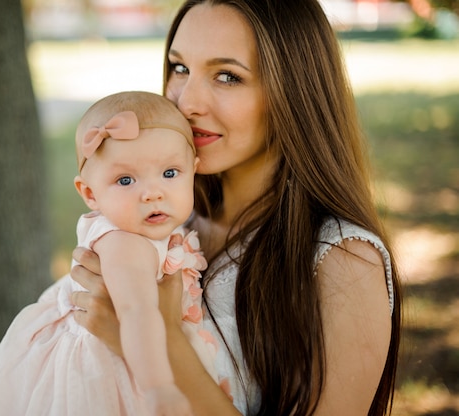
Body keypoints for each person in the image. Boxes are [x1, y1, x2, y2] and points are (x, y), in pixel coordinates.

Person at [70, 1, 402, 415]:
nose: (187, 102)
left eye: (227, 76)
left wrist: (163, 342)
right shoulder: (163, 217)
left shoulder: (344, 261)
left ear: (293, 92)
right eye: (180, 68)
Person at [0, 91, 220, 416]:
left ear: (193, 171)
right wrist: (159, 387)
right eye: (125, 180)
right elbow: (137, 310)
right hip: (109, 370)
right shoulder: (125, 243)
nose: (152, 193)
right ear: (90, 194)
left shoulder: (152, 228)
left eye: (169, 173)